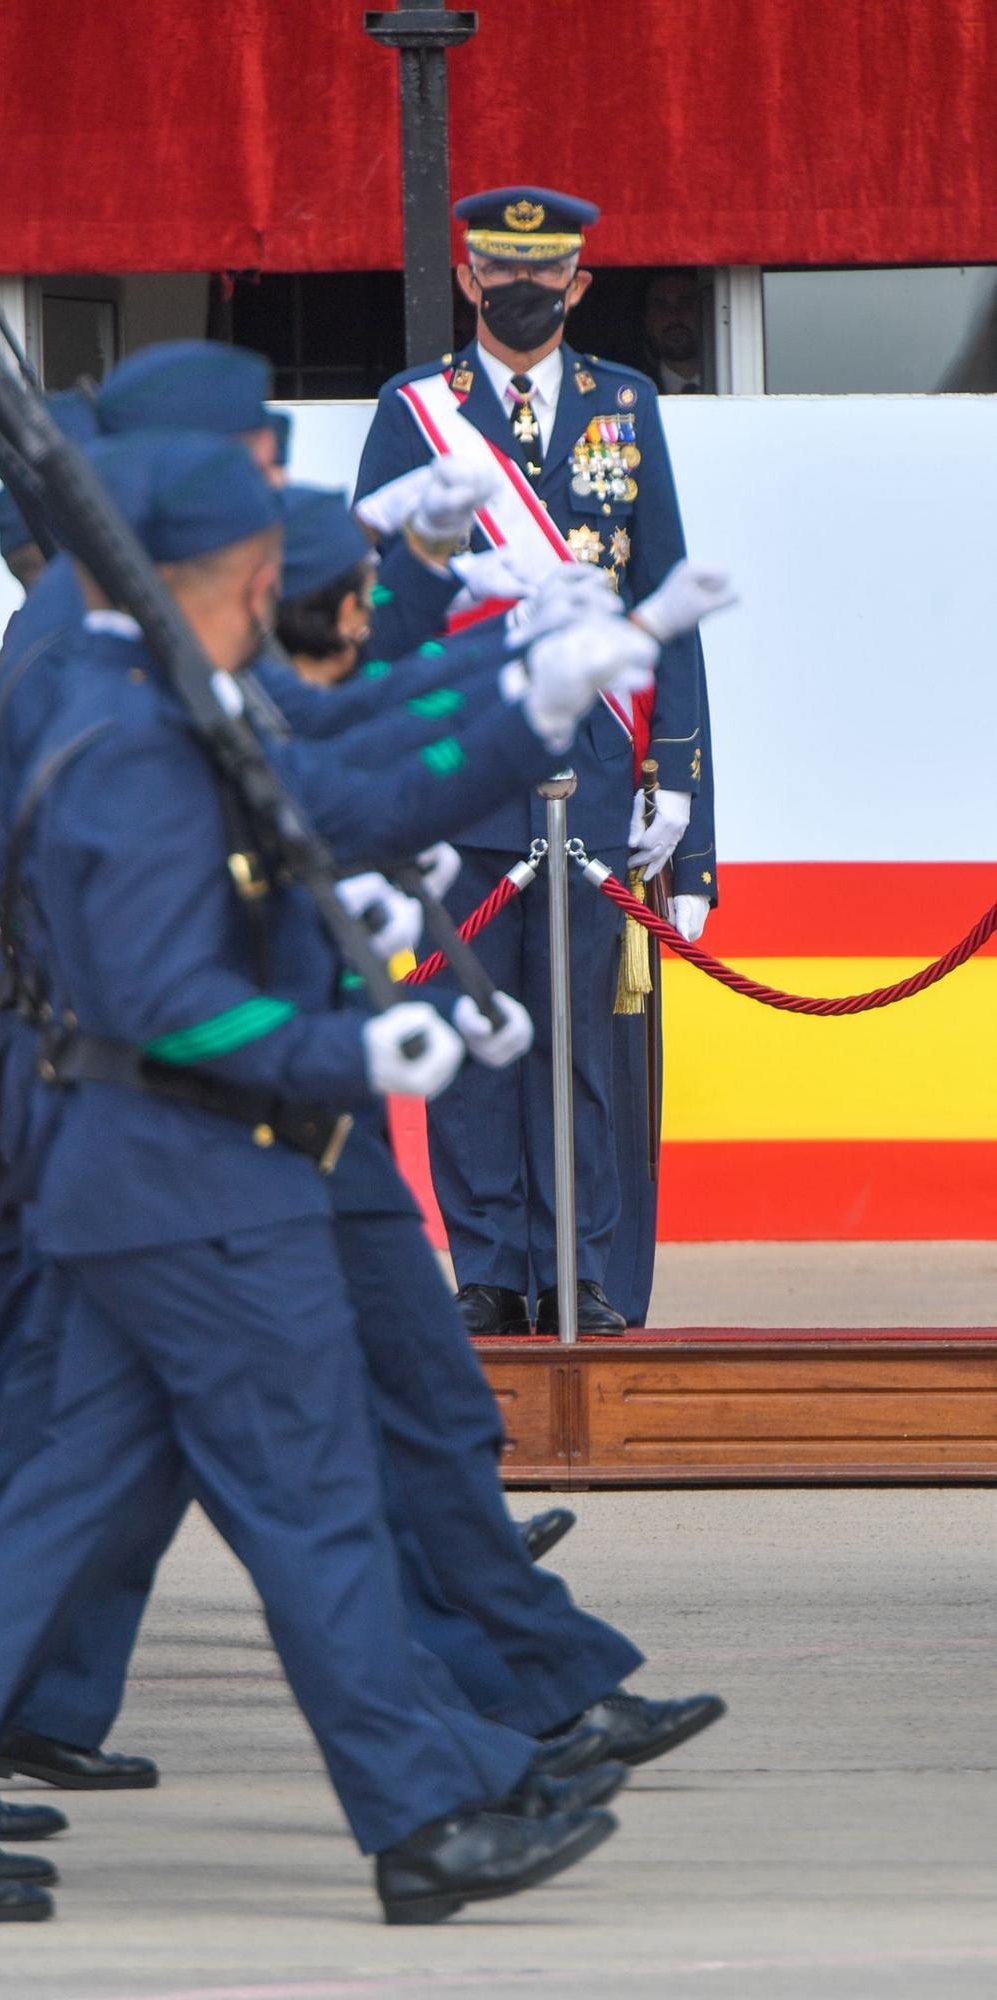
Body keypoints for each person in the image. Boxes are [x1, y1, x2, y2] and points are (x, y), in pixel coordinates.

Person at [0, 432, 657, 1924]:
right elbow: (161, 985)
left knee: (51, 1490)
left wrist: (524, 698)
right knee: (312, 1501)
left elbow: (330, 767)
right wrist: (363, 1052)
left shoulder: (154, 689)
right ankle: (432, 1813)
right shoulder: (126, 714)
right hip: (187, 1174)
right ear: (223, 575)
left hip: (158, 1174)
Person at [355, 184, 721, 1336]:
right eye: (499, 273)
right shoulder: (415, 409)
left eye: (544, 273)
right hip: (461, 782)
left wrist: (685, 814)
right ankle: (490, 1268)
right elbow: (377, 615)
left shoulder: (626, 404)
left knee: (583, 1049)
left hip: (600, 782)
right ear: (466, 280)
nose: (522, 290)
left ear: (579, 284)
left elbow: (667, 600)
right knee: (473, 1041)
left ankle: (583, 1268)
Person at [642, 270, 705, 395]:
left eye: (685, 303)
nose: (674, 316)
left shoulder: (738, 380)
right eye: (661, 307)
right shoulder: (634, 391)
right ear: (647, 320)